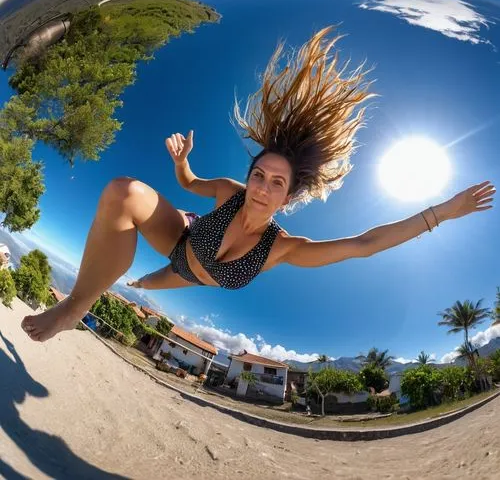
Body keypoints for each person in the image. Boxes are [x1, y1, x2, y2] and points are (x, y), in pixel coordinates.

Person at [21, 27, 495, 342]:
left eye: (276, 184)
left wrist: (440, 213)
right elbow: (188, 182)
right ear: (248, 178)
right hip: (182, 239)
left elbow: (365, 244)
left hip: (186, 276)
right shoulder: (229, 192)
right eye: (259, 176)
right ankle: (75, 308)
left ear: (289, 195)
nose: (263, 187)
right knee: (122, 191)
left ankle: (130, 283)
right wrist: (184, 163)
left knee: (147, 282)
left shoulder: (283, 247)